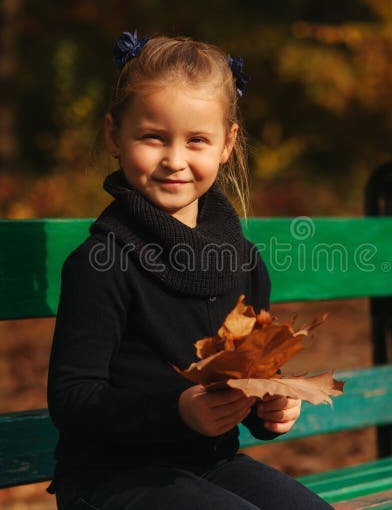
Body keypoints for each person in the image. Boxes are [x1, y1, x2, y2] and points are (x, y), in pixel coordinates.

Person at [45, 31, 332, 509]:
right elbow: (73, 398)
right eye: (153, 138)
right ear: (115, 135)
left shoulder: (243, 261)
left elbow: (245, 375)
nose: (174, 161)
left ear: (227, 144)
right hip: (109, 479)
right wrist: (177, 412)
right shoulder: (102, 263)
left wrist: (270, 405)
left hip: (211, 466)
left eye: (197, 140)